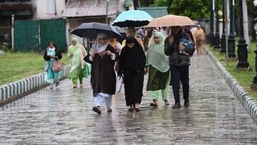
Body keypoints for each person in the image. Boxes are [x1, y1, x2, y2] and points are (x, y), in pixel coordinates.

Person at [84, 33, 118, 114]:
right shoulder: (94, 48)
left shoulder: (110, 48)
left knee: (107, 89)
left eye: (104, 39)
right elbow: (89, 59)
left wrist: (111, 54)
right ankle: (98, 106)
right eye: (100, 39)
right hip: (97, 72)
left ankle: (108, 106)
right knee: (98, 89)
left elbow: (116, 57)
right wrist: (93, 54)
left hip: (107, 72)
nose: (102, 41)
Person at [164, 26, 195, 109]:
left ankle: (186, 99)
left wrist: (185, 47)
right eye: (173, 28)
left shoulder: (186, 36)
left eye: (176, 27)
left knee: (185, 82)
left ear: (180, 27)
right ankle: (177, 101)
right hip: (173, 63)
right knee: (175, 82)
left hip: (184, 62)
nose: (175, 29)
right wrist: (170, 44)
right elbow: (166, 52)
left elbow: (192, 48)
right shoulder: (168, 38)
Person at [118, 36, 146, 112]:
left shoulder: (139, 49)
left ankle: (136, 104)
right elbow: (121, 62)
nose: (130, 46)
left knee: (137, 88)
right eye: (129, 44)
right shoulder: (124, 50)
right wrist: (120, 71)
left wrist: (139, 68)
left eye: (131, 44)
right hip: (128, 73)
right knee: (129, 89)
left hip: (138, 72)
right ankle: (130, 104)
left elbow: (143, 60)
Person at [146, 31, 171, 107]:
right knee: (154, 84)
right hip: (154, 67)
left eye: (157, 38)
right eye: (155, 38)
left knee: (165, 83)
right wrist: (147, 67)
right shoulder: (152, 47)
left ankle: (165, 98)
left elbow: (168, 56)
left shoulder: (165, 47)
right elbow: (149, 58)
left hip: (166, 67)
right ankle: (154, 100)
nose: (156, 39)